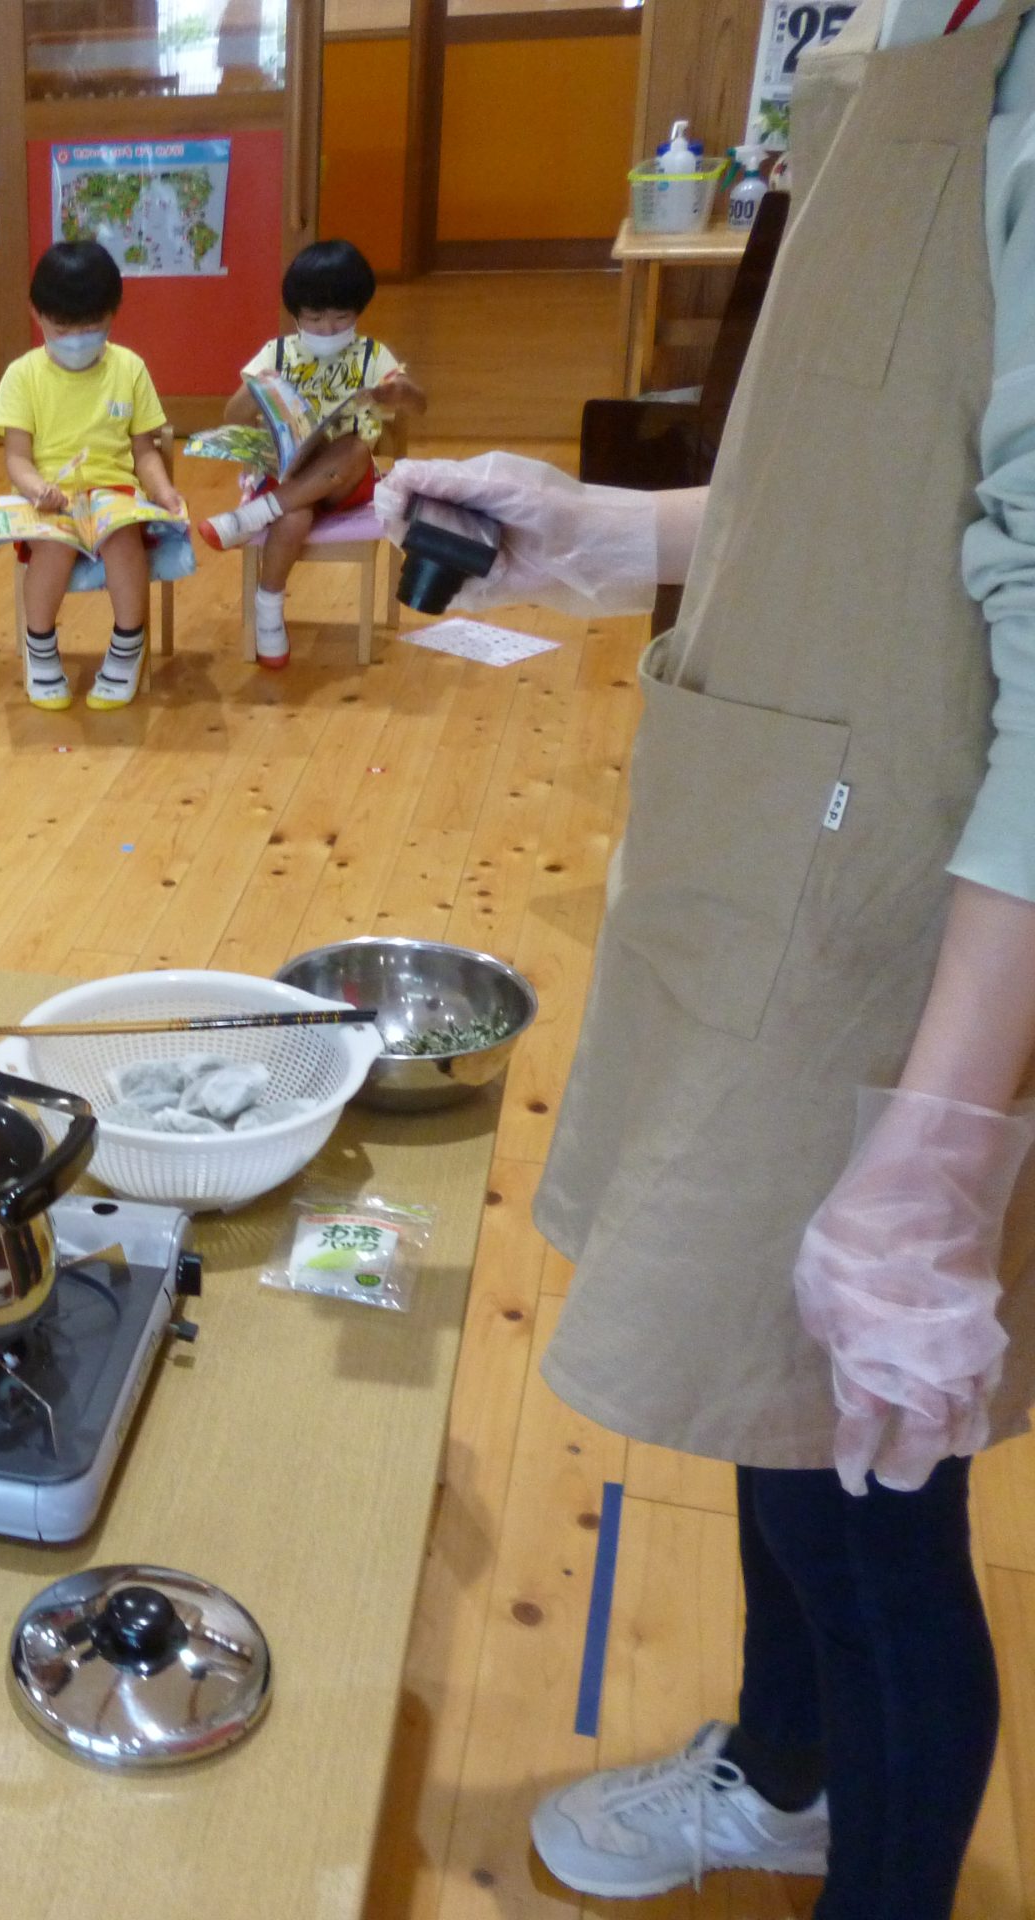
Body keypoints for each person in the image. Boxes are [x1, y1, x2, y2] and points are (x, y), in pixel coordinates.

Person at [378, 2, 1035, 1909]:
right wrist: (605, 539)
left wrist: (932, 1152)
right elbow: (867, 507)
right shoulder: (921, 39)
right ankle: (784, 1773)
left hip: (926, 916)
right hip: (792, 864)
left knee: (875, 1514)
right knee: (765, 1395)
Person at [198, 239, 425, 668]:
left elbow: (420, 405)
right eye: (314, 319)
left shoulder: (372, 355)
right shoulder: (278, 352)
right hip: (290, 472)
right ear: (296, 315)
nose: (327, 329)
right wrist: (259, 387)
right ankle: (269, 611)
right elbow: (232, 417)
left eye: (341, 318)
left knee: (355, 445)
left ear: (358, 312)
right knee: (295, 515)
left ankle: (248, 518)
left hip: (348, 481)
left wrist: (400, 392)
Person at [0, 240, 190, 712]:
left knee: (123, 537)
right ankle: (40, 648)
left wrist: (163, 492)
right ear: (37, 314)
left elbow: (145, 451)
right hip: (50, 498)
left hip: (114, 491)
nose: (77, 338)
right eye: (63, 328)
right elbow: (16, 458)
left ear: (113, 314)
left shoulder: (129, 368)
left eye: (91, 327)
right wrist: (37, 488)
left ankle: (126, 646)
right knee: (54, 545)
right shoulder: (23, 375)